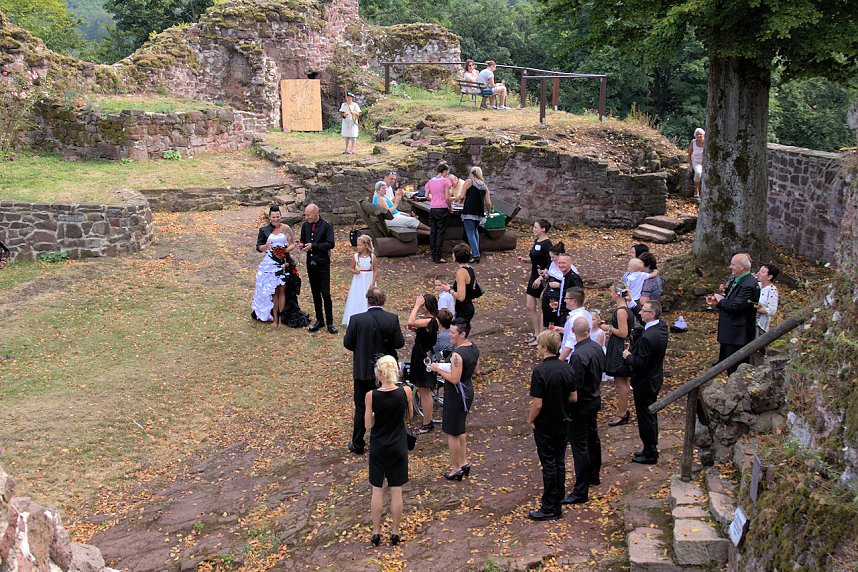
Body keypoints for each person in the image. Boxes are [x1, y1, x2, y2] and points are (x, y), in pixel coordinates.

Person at [344, 288, 405, 454]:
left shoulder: (356, 319)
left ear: (368, 300)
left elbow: (348, 343)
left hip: (363, 370)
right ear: (383, 301)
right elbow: (399, 343)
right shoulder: (392, 319)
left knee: (361, 408)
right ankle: (386, 441)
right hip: (385, 372)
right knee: (387, 406)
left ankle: (358, 443)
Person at [526, 330, 575, 521]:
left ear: (545, 347)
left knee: (548, 464)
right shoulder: (567, 368)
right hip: (563, 420)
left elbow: (537, 403)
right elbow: (574, 396)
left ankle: (549, 507)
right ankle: (558, 497)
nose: (537, 348)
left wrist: (531, 420)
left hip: (545, 423)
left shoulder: (540, 371)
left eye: (538, 345)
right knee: (559, 461)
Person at [364, 355, 412, 547]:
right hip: (398, 444)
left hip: (378, 445)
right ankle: (395, 531)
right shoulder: (405, 391)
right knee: (396, 490)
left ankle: (376, 532)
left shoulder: (371, 396)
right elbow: (409, 416)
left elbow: (367, 425)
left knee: (377, 489)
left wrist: (376, 417)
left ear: (379, 373)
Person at [430, 317, 479, 481]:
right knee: (461, 428)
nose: (450, 335)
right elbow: (475, 370)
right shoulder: (473, 348)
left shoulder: (457, 355)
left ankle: (456, 468)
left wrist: (437, 369)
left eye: (452, 333)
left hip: (457, 394)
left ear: (462, 334)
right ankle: (464, 462)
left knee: (452, 432)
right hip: (468, 390)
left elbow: (454, 379)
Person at [562, 316, 605, 504]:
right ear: (588, 330)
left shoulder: (578, 356)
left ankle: (581, 490)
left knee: (580, 445)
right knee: (592, 438)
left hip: (582, 404)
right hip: (594, 398)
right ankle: (594, 475)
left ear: (573, 332)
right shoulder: (596, 347)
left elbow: (575, 385)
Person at [623, 301, 669, 464]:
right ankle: (650, 447)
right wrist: (632, 302)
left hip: (645, 382)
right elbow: (641, 316)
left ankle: (650, 452)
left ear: (652, 314)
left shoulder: (648, 338)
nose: (640, 313)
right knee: (651, 415)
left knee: (645, 417)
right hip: (654, 378)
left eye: (644, 311)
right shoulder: (661, 327)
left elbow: (639, 363)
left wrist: (628, 356)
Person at [251, 206, 308, 328]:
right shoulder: (264, 230)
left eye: (278, 217)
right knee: (274, 292)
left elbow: (292, 243)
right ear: (269, 217)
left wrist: (284, 250)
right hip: (270, 264)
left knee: (283, 291)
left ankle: (282, 319)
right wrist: (267, 245)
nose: (276, 219)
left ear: (280, 216)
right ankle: (274, 319)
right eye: (273, 217)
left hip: (283, 262)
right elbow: (259, 248)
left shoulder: (286, 228)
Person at [705, 253, 760, 374]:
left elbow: (735, 306)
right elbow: (731, 299)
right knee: (728, 364)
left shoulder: (749, 284)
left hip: (738, 334)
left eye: (733, 264)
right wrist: (717, 302)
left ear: (742, 267)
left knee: (735, 368)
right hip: (730, 332)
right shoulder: (738, 279)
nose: (730, 267)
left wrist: (721, 300)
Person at [298, 204, 336, 334]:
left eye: (308, 214)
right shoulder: (305, 225)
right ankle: (320, 320)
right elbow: (303, 240)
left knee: (325, 293)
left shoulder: (326, 225)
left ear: (316, 213)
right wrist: (302, 245)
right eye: (305, 214)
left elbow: (330, 244)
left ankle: (330, 322)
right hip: (311, 263)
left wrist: (313, 245)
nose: (306, 217)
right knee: (315, 292)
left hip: (323, 263)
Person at [603, 281, 635, 427]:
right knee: (620, 380)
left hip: (619, 346)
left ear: (616, 293)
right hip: (618, 345)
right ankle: (623, 409)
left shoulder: (621, 311)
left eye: (611, 291)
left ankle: (622, 412)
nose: (610, 294)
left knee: (620, 381)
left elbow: (623, 333)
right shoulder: (625, 308)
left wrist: (607, 327)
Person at [407, 293, 440, 434]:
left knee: (424, 391)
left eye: (422, 305)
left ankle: (427, 423)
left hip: (423, 356)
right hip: (421, 354)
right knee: (422, 390)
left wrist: (415, 306)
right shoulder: (429, 321)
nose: (420, 307)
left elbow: (410, 322)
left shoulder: (430, 321)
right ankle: (427, 421)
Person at [519, 220, 552, 346]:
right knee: (530, 306)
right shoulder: (536, 241)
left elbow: (550, 262)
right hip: (533, 276)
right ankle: (536, 333)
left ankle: (541, 337)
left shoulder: (547, 243)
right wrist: (526, 260)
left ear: (543, 229)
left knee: (540, 307)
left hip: (542, 279)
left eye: (535, 227)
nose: (533, 229)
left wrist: (541, 277)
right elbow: (536, 258)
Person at [455, 167, 492, 263]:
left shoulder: (468, 182)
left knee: (470, 232)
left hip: (469, 211)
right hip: (479, 212)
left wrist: (459, 201)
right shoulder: (484, 186)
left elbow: (462, 196)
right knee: (475, 231)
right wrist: (488, 212)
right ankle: (476, 252)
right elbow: (488, 203)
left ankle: (476, 255)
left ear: (472, 173)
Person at [342, 235, 378, 326]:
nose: (358, 247)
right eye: (357, 245)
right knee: (358, 297)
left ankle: (370, 318)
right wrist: (355, 271)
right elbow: (351, 268)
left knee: (368, 297)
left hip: (368, 280)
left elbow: (375, 270)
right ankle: (356, 317)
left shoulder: (372, 257)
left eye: (360, 245)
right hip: (358, 280)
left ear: (366, 245)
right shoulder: (356, 257)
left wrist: (373, 283)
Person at [543, 252, 584, 330]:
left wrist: (570, 315)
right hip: (561, 314)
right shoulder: (564, 276)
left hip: (568, 316)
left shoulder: (574, 279)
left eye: (564, 263)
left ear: (570, 263)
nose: (561, 265)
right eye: (559, 263)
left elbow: (579, 299)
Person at [424, 163, 454, 263]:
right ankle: (438, 256)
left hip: (433, 208)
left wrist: (434, 200)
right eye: (447, 172)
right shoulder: (446, 181)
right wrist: (450, 207)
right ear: (444, 171)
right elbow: (447, 197)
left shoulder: (430, 181)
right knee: (440, 232)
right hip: (442, 208)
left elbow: (426, 195)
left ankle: (433, 254)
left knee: (433, 232)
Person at [752, 263, 780, 365]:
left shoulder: (772, 290)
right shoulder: (756, 285)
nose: (759, 273)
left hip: (760, 324)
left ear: (769, 276)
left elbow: (772, 310)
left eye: (762, 272)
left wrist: (757, 308)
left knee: (756, 348)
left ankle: (758, 368)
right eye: (759, 270)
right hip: (749, 320)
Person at [556, 288, 594, 362]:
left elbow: (571, 343)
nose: (564, 300)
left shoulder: (575, 318)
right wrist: (563, 330)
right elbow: (580, 332)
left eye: (566, 298)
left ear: (573, 301)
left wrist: (559, 361)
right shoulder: (587, 314)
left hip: (571, 357)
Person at [535, 242, 566, 329]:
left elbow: (570, 285)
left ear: (560, 255)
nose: (551, 259)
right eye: (550, 257)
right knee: (545, 315)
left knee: (554, 318)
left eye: (553, 257)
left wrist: (559, 285)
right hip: (548, 293)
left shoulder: (566, 268)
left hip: (558, 297)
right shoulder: (552, 264)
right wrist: (543, 275)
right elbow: (548, 275)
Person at [451, 243, 478, 324]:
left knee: (458, 335)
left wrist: (449, 290)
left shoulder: (461, 272)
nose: (452, 255)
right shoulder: (470, 268)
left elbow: (461, 297)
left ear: (456, 256)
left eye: (453, 253)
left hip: (463, 310)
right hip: (468, 307)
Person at [688, 128, 705, 198]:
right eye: (697, 134)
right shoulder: (693, 142)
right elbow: (689, 154)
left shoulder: (707, 142)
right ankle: (696, 190)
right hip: (696, 162)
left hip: (705, 162)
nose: (699, 136)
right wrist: (690, 165)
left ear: (703, 135)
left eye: (700, 134)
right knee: (698, 172)